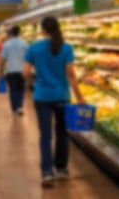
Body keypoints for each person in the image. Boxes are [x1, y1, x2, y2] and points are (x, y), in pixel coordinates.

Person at [23, 17, 85, 188]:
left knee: (45, 135)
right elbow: (71, 75)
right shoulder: (66, 48)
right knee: (63, 133)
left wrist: (38, 78)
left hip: (42, 97)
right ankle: (62, 168)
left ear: (43, 30)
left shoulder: (34, 48)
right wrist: (79, 97)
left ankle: (47, 173)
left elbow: (25, 72)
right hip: (62, 96)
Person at [0, 26, 29, 117]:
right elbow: (28, 59)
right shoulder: (25, 44)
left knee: (13, 90)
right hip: (22, 70)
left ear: (11, 33)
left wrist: (0, 70)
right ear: (19, 33)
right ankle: (20, 107)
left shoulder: (6, 44)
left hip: (10, 70)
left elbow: (3, 59)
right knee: (21, 89)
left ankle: (14, 110)